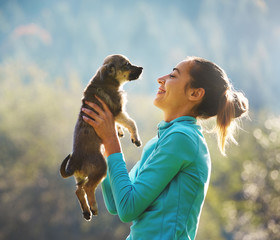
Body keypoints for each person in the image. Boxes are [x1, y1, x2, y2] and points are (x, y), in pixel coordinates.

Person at [81, 56, 249, 239]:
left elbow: (127, 208)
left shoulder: (183, 139)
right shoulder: (162, 141)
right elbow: (115, 203)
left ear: (195, 94)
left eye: (173, 76)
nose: (161, 79)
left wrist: (111, 140)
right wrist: (104, 145)